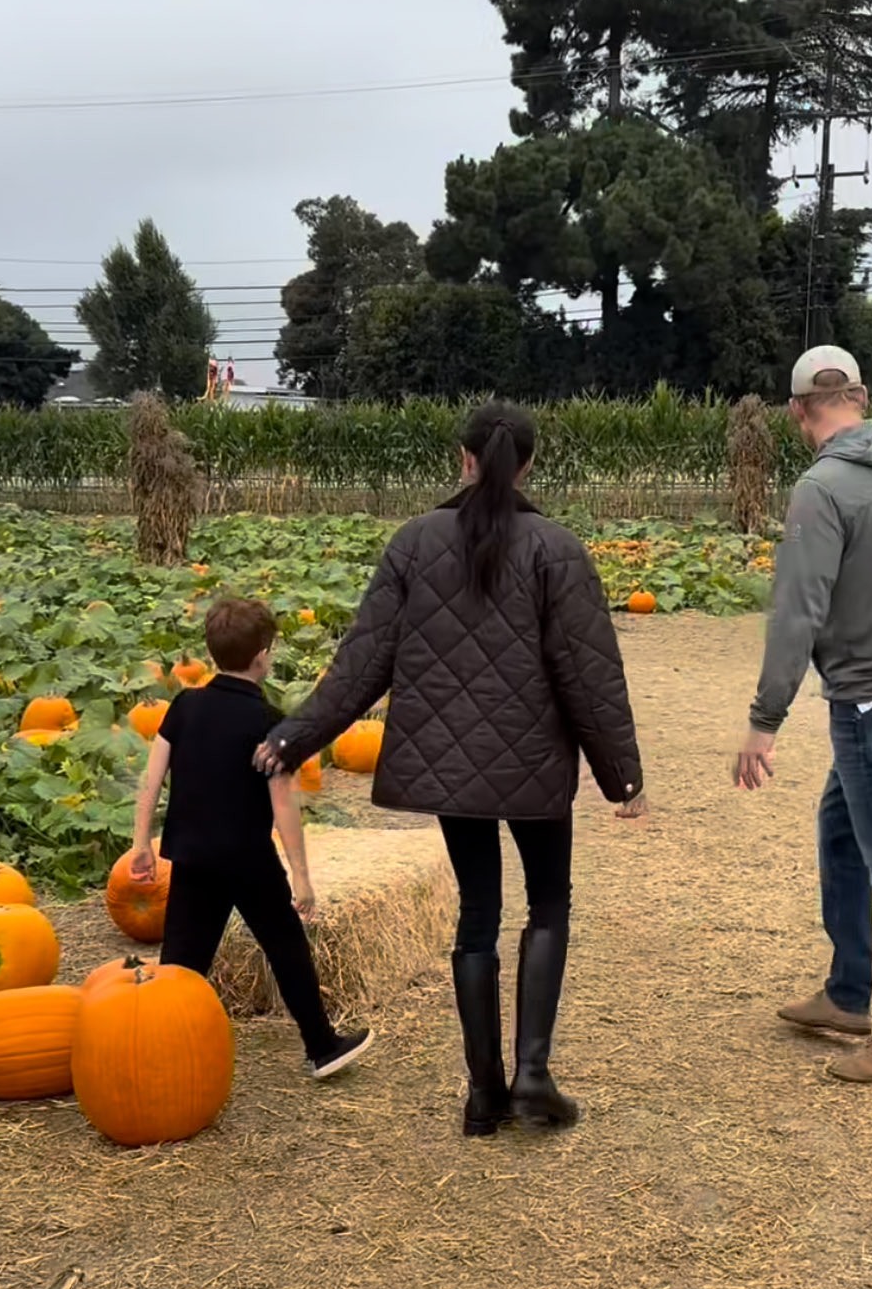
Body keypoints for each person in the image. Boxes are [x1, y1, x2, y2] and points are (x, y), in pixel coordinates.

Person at [254, 401, 645, 1136]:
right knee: (548, 901)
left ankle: (482, 1093)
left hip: (450, 767)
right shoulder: (556, 549)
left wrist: (295, 737)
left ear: (462, 460)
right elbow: (587, 673)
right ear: (527, 465)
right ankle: (533, 1076)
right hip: (533, 766)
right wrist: (619, 775)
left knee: (477, 913)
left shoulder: (415, 542)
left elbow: (362, 661)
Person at [734, 346, 872, 1084]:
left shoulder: (820, 487)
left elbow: (798, 608)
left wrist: (765, 718)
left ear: (797, 410)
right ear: (860, 396)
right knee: (840, 827)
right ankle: (848, 992)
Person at [130, 596, 373, 1081]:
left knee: (181, 963)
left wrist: (141, 843)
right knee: (285, 947)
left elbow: (151, 778)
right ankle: (321, 1046)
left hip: (192, 854)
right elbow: (283, 804)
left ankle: (161, 1055)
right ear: (263, 654)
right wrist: (301, 877)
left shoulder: (185, 704)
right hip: (247, 860)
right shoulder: (267, 722)